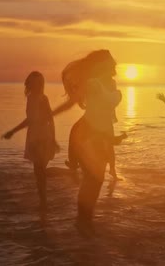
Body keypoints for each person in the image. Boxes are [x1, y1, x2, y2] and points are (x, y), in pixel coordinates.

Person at [52, 50, 122, 235]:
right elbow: (71, 103)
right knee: (92, 179)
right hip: (88, 133)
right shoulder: (92, 83)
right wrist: (49, 115)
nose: (115, 65)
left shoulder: (111, 84)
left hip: (104, 133)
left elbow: (107, 113)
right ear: (102, 64)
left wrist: (111, 139)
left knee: (96, 180)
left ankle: (85, 220)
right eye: (112, 62)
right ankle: (83, 221)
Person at [2, 71, 58, 212]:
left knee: (40, 172)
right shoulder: (34, 98)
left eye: (39, 83)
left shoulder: (41, 99)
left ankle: (68, 175)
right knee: (39, 172)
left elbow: (48, 119)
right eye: (34, 82)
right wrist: (13, 131)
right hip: (36, 136)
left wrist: (53, 139)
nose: (37, 85)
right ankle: (43, 202)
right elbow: (36, 120)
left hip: (41, 137)